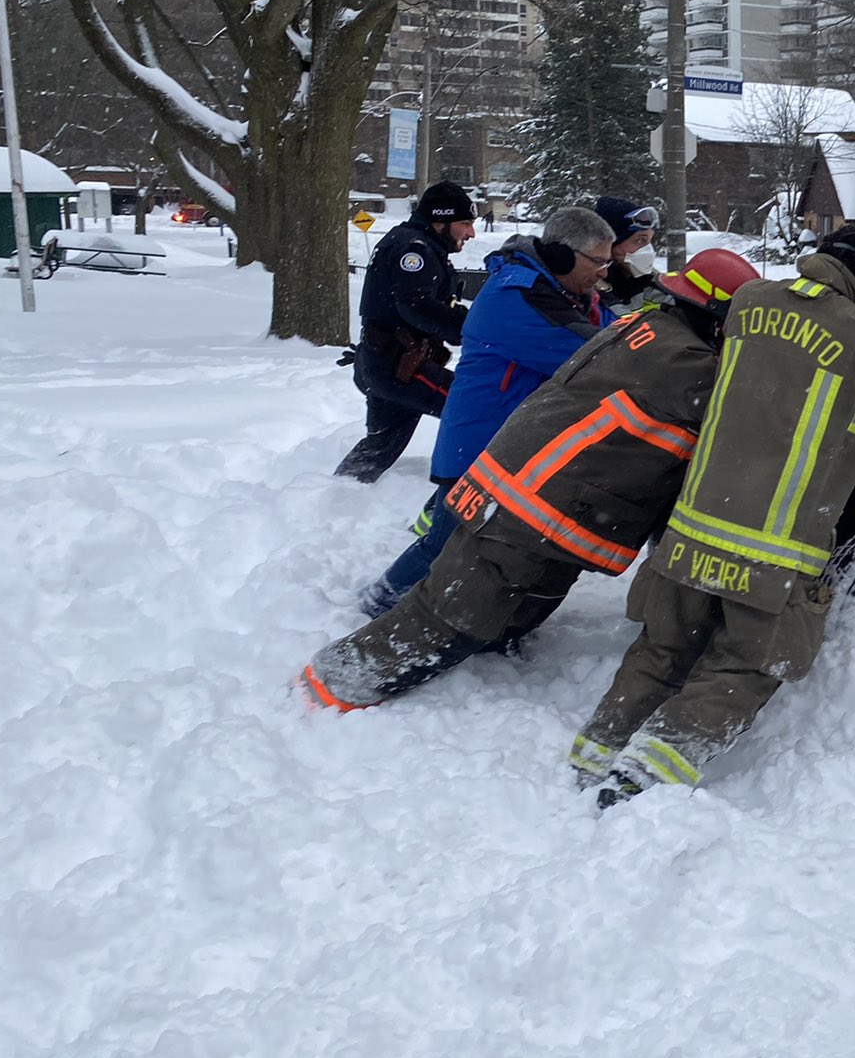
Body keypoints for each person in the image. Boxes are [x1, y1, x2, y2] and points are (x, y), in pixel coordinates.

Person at [571, 228, 855, 808]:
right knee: (746, 664)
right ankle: (647, 774)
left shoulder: (751, 303)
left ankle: (595, 751)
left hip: (691, 533)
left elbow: (800, 349)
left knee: (663, 648)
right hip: (772, 549)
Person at [300, 248, 763, 712]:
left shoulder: (641, 328)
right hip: (532, 507)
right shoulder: (691, 367)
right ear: (718, 319)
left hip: (536, 497)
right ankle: (329, 686)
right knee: (449, 616)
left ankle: (483, 653)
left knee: (519, 603)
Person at [357, 206, 618, 616]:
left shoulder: (568, 294)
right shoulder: (516, 298)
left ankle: (467, 609)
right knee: (447, 544)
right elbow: (600, 353)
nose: (604, 272)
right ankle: (381, 602)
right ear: (564, 256)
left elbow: (613, 328)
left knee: (486, 543)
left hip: (517, 446)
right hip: (481, 447)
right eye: (598, 262)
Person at [333, 181, 476, 483]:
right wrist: (478, 329)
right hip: (400, 367)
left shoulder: (418, 244)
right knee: (476, 408)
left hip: (384, 363)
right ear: (441, 220)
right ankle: (466, 492)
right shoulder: (414, 249)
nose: (471, 233)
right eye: (465, 223)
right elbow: (417, 306)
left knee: (379, 447)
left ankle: (336, 496)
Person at [592, 196, 664, 311]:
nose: (648, 249)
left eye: (650, 241)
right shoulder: (588, 289)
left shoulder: (649, 281)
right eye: (640, 240)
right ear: (610, 245)